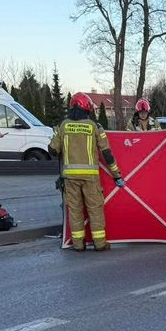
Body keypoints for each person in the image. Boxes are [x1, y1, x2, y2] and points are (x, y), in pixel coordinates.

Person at [50, 93, 125, 251]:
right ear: (88, 108)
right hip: (90, 177)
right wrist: (116, 175)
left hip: (70, 177)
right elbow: (107, 153)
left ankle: (78, 244)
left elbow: (52, 150)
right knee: (95, 209)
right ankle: (100, 244)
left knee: (75, 210)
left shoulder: (63, 126)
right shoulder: (95, 127)